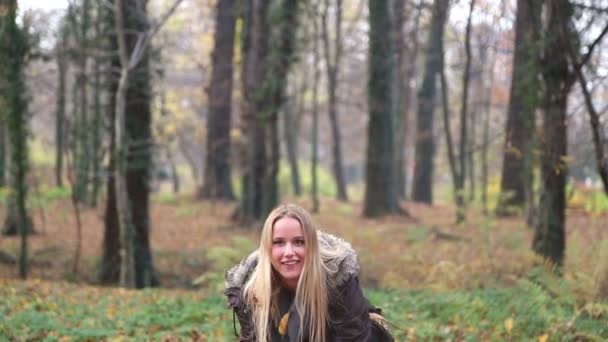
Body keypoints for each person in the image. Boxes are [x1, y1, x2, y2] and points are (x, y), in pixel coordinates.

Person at [224, 203, 394, 341]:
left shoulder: (337, 277)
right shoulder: (248, 288)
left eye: (299, 242)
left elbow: (355, 337)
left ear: (311, 246)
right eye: (279, 243)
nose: (289, 252)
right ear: (267, 248)